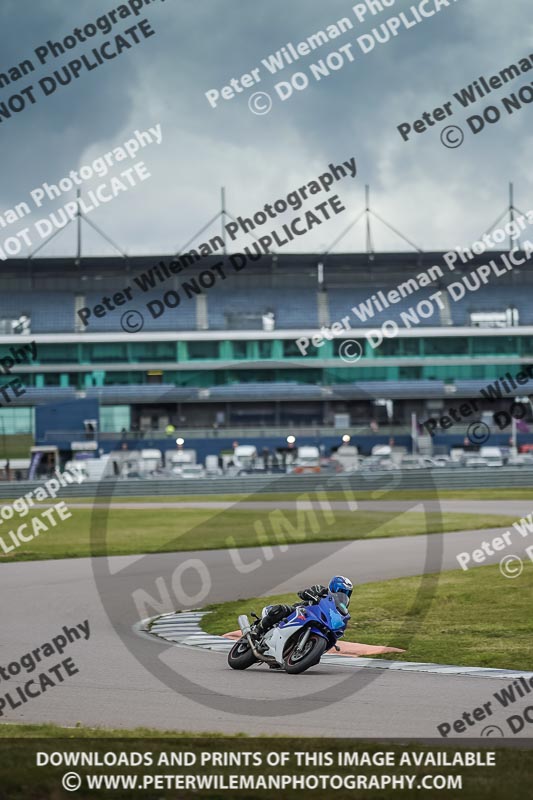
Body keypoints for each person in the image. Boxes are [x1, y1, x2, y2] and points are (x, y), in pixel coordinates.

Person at [255, 575, 353, 637]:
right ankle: (258, 630)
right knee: (281, 610)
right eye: (341, 591)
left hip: (318, 622)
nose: (343, 594)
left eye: (346, 593)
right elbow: (302, 593)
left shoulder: (338, 607)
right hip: (299, 613)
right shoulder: (320, 590)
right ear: (333, 587)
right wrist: (308, 593)